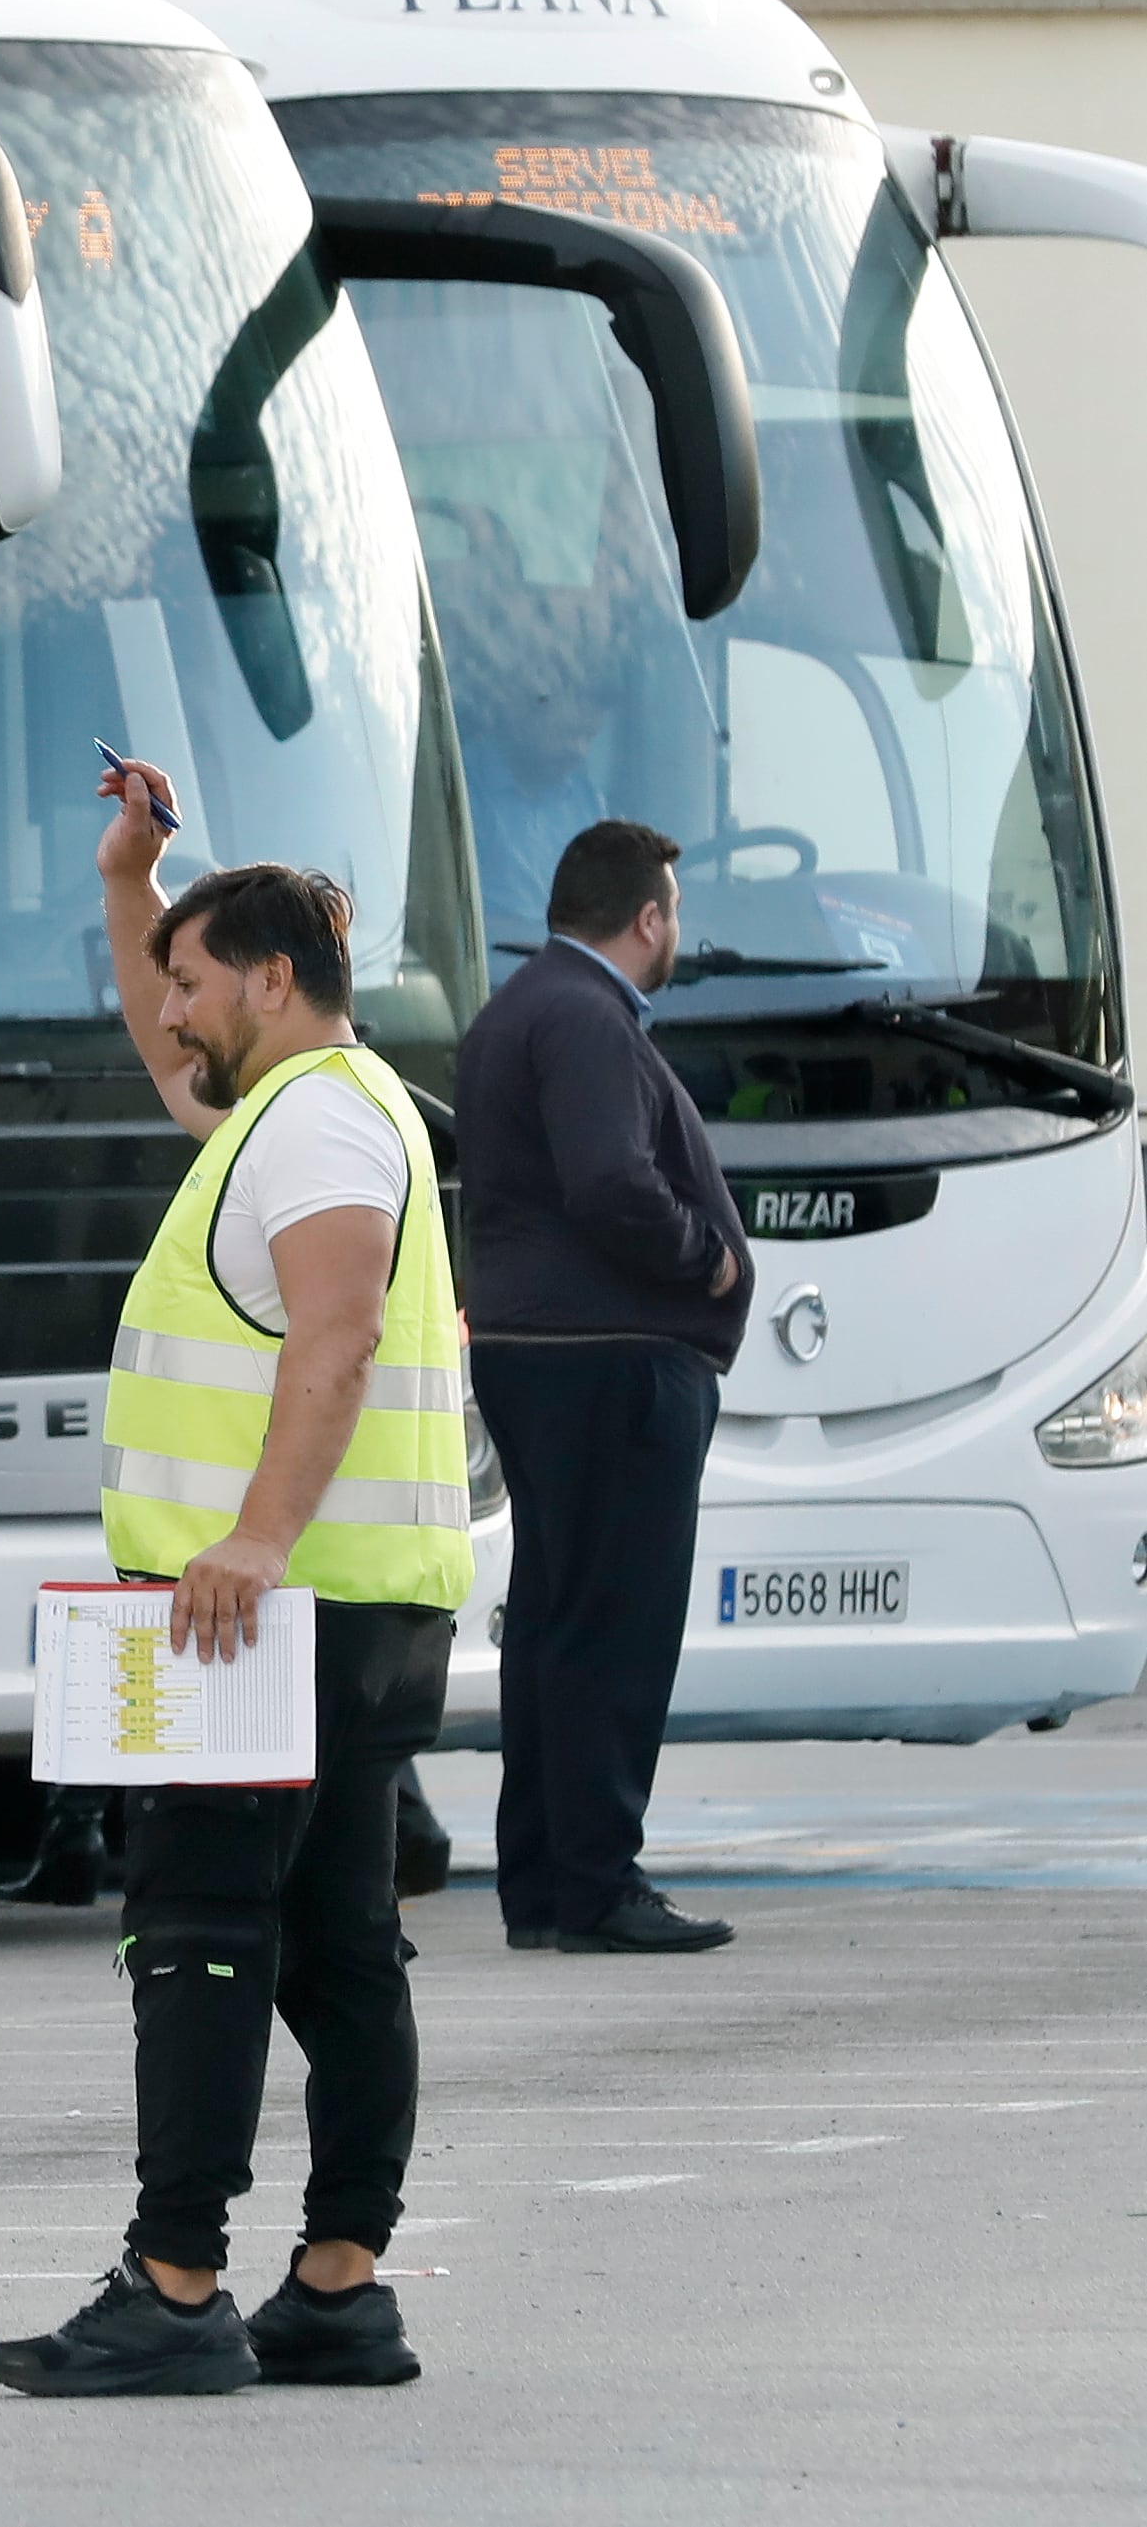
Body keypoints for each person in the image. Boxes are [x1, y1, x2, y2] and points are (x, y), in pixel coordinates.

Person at [0, 764, 468, 2398]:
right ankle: (338, 2281)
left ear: (274, 979)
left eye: (192, 978)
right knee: (336, 1936)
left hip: (267, 1604)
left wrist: (253, 1537)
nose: (165, 1010)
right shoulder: (319, 1103)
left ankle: (177, 2275)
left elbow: (328, 1338)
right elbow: (172, 1045)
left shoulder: (319, 1121)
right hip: (350, 1601)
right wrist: (134, 881)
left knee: (191, 1916)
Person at [462, 817, 749, 1957]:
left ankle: (540, 1878)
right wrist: (708, 1255)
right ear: (646, 919)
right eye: (670, 911)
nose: (674, 930)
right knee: (614, 1622)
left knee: (551, 1619)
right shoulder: (585, 1019)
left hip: (538, 1352)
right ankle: (595, 1880)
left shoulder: (515, 1009)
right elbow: (611, 1182)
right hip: (609, 1359)